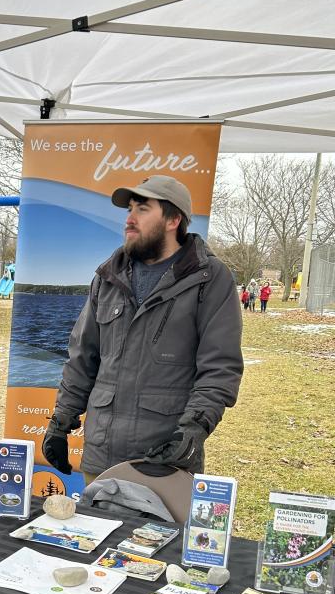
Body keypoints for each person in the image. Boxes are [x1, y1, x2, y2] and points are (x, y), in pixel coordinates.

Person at [42, 175, 243, 482]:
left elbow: (220, 369)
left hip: (165, 461)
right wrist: (61, 420)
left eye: (142, 209)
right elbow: (82, 359)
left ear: (174, 219)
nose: (130, 219)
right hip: (101, 457)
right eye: (129, 209)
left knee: (158, 534)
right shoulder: (108, 276)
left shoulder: (209, 279)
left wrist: (192, 432)